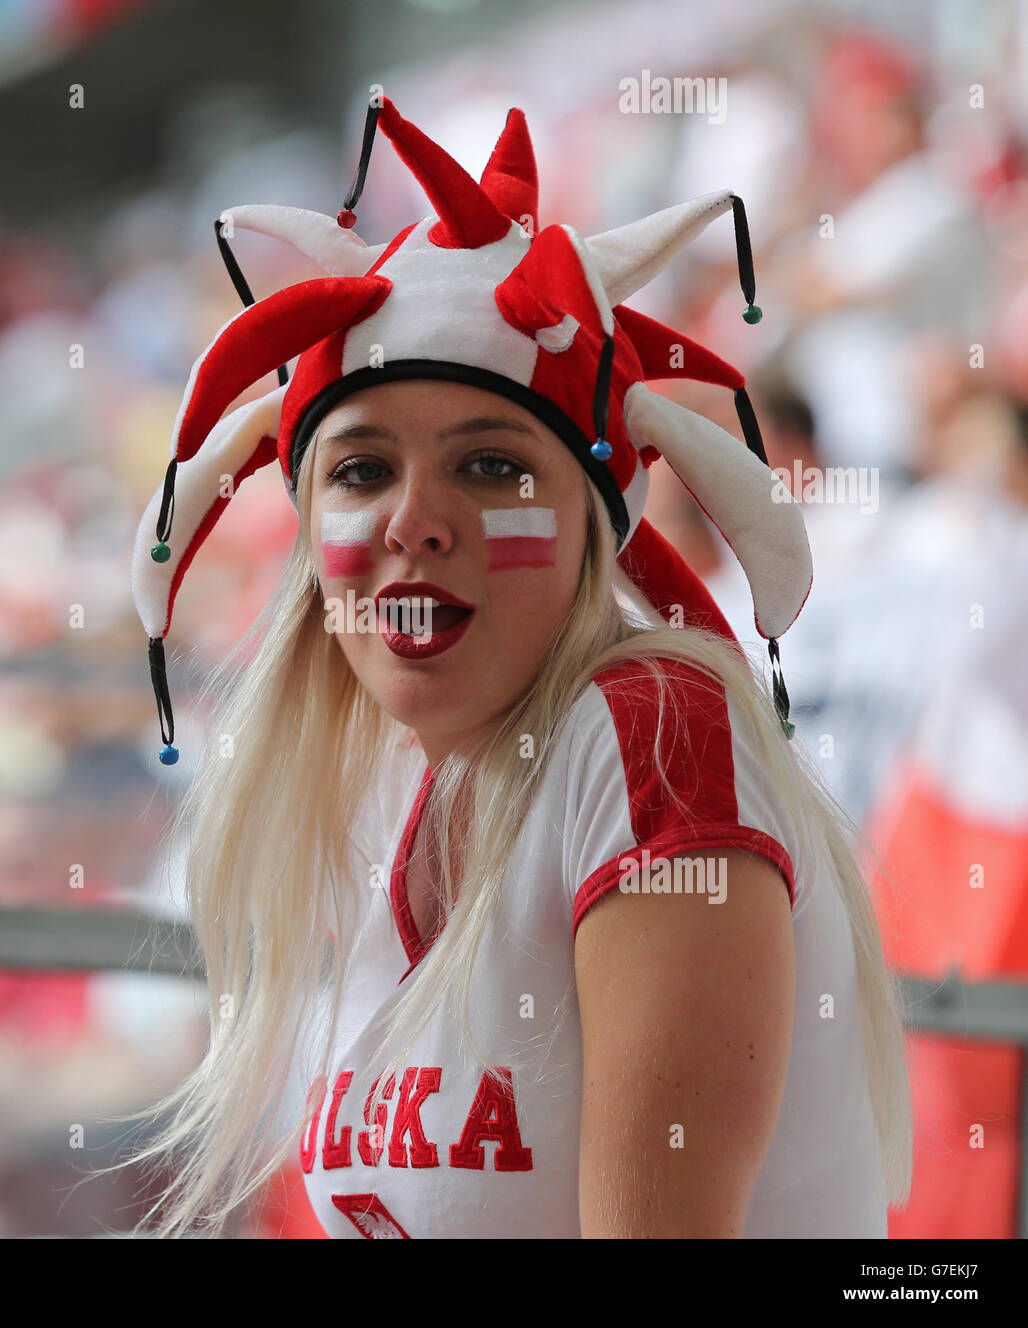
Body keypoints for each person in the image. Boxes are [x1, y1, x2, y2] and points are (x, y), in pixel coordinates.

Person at [110, 94, 912, 1238]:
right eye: (359, 469)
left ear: (599, 524)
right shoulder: (385, 786)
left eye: (491, 466)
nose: (414, 521)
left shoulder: (649, 730)